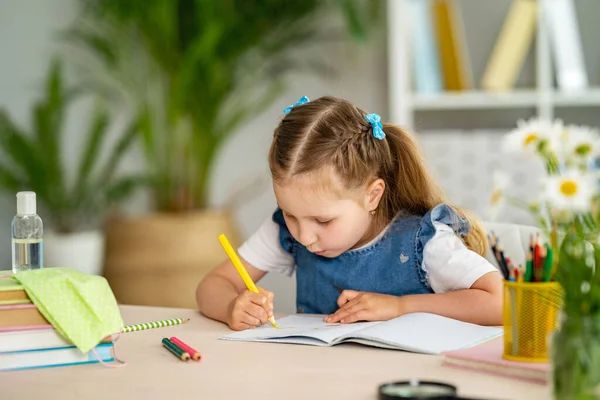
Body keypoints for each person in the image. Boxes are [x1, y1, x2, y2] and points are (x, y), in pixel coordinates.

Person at [197, 95, 503, 331]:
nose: (304, 236)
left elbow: (501, 302)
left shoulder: (423, 242)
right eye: (290, 214)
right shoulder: (286, 231)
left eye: (323, 220)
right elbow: (212, 285)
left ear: (372, 195)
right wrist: (231, 307)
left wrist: (401, 307)